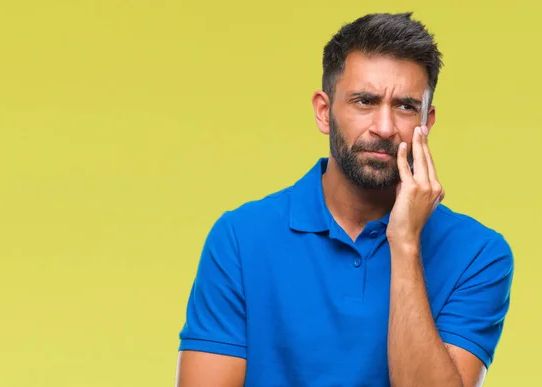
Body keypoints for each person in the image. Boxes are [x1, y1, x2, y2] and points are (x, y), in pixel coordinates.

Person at [175, 12, 514, 387]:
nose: (384, 128)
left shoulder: (479, 255)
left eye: (404, 106)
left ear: (426, 122)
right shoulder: (240, 239)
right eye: (364, 101)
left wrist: (404, 244)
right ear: (324, 112)